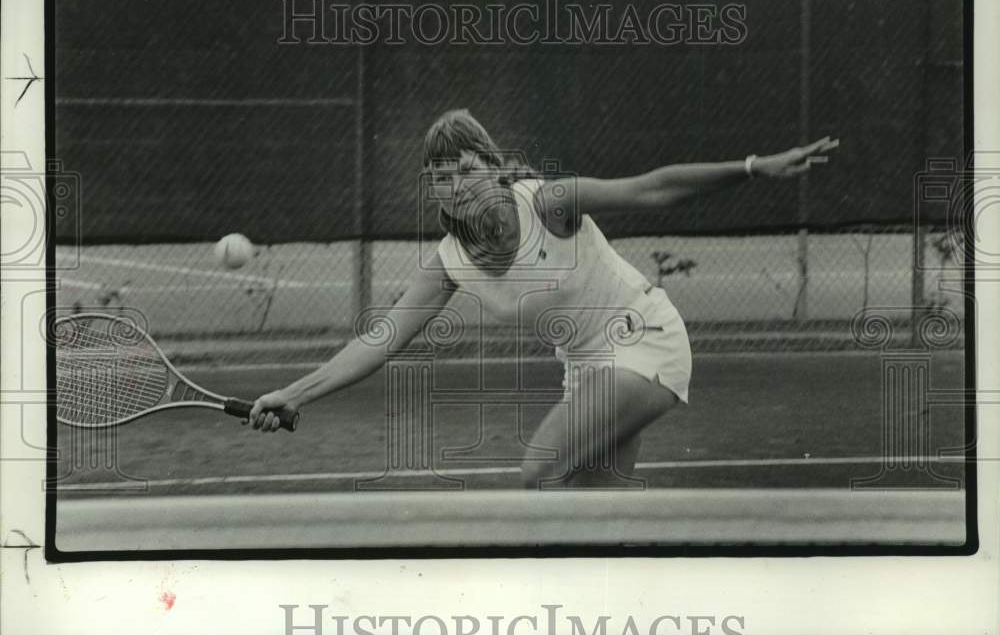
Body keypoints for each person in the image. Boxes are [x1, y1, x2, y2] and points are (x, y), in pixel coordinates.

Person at [247, 110, 838, 489]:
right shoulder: (448, 263)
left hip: (645, 338)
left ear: (496, 168)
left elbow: (652, 188)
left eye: (469, 168)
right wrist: (293, 394)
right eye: (444, 179)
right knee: (592, 526)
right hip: (585, 372)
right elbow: (378, 341)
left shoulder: (549, 204)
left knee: (538, 469)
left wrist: (756, 166)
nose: (460, 184)